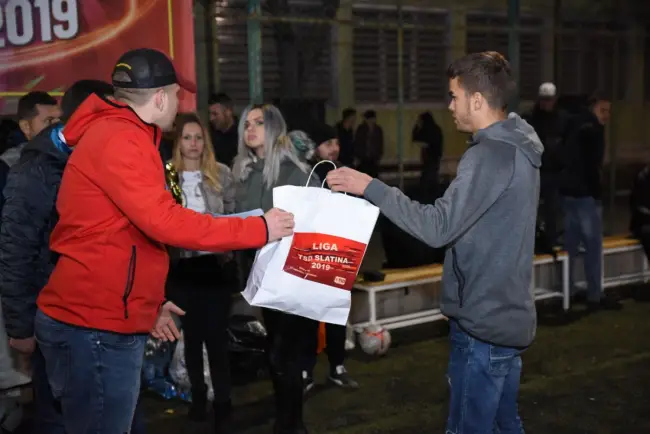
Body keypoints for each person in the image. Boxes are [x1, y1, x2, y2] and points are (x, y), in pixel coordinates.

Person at [33, 48, 294, 434]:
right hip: (96, 325)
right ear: (158, 99)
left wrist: (148, 300)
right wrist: (259, 229)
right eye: (174, 94)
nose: (178, 102)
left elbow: (124, 234)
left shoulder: (121, 134)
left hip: (99, 314)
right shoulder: (123, 140)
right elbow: (166, 223)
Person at [327, 51, 542, 433]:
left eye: (454, 96)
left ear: (476, 100)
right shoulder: (519, 146)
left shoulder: (490, 154)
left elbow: (437, 227)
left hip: (485, 326)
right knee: (505, 424)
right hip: (505, 316)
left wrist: (371, 187)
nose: (450, 105)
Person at [0, 80, 152, 434]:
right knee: (60, 417)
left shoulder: (106, 160)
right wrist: (21, 325)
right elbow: (16, 249)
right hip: (55, 319)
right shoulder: (38, 167)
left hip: (108, 318)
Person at [233, 104, 320, 434]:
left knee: (283, 354)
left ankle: (291, 425)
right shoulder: (244, 171)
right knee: (280, 354)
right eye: (247, 124)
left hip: (295, 275)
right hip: (265, 276)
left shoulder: (293, 169)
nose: (251, 129)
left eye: (259, 123)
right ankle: (290, 422)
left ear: (275, 128)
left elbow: (315, 217)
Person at [164, 112, 238, 432]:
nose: (193, 144)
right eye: (187, 138)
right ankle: (198, 397)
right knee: (192, 339)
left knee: (217, 341)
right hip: (183, 267)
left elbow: (235, 215)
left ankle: (223, 404)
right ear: (177, 142)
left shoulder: (220, 174)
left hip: (215, 266)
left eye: (198, 138)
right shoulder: (166, 177)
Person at [294, 123, 360, 392]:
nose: (333, 149)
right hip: (312, 253)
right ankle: (306, 370)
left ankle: (337, 367)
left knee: (336, 313)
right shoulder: (307, 173)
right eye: (327, 143)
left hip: (340, 251)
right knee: (309, 316)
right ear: (315, 147)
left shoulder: (345, 172)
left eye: (336, 142)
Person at [560, 93, 621, 310]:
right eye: (603, 110)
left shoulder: (571, 124)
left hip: (568, 193)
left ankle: (569, 291)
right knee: (593, 247)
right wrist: (596, 192)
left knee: (571, 247)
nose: (607, 116)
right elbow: (592, 166)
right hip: (585, 195)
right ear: (593, 108)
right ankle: (595, 295)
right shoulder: (592, 130)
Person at [523, 82, 570, 252]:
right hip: (536, 170)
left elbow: (568, 142)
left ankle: (551, 240)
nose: (546, 103)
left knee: (553, 209)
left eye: (549, 100)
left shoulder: (562, 119)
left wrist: (563, 160)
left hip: (555, 171)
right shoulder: (532, 119)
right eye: (543, 100)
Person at [0, 92, 61, 210]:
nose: (58, 128)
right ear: (26, 126)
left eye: (59, 122)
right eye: (49, 121)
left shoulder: (69, 157)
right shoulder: (7, 165)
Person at [412, 111, 444, 203]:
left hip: (429, 157)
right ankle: (434, 199)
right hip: (435, 157)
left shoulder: (426, 129)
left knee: (427, 178)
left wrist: (416, 126)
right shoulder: (436, 129)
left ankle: (427, 198)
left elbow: (416, 138)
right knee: (432, 178)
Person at [209, 93, 239, 168]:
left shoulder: (242, 133)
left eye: (215, 114)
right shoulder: (210, 134)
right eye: (210, 114)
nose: (211, 118)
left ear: (228, 112)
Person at [353, 110, 383, 177]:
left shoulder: (378, 129)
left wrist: (379, 155)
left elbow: (380, 143)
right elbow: (357, 143)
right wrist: (358, 156)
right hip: (363, 158)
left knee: (373, 177)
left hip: (374, 158)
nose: (371, 121)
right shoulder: (361, 129)